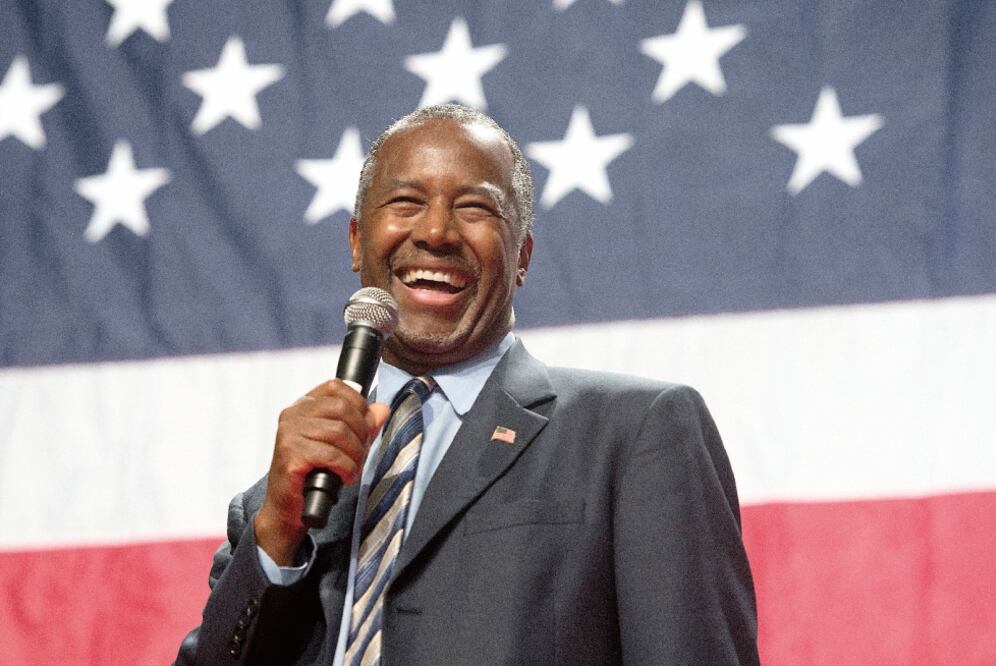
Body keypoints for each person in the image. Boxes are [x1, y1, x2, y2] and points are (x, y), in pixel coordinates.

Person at [175, 103, 759, 665]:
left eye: (475, 209)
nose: (435, 231)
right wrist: (276, 533)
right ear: (356, 241)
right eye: (405, 202)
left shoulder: (633, 435)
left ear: (522, 255)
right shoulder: (286, 497)